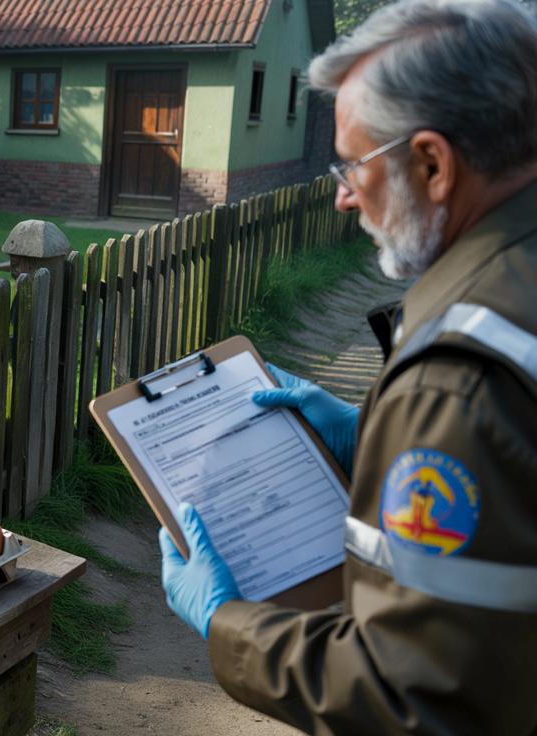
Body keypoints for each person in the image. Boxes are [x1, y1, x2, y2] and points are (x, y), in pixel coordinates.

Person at [159, 0, 537, 732]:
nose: (339, 195)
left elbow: (414, 695)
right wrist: (374, 438)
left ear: (432, 163)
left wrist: (229, 622)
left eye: (354, 165)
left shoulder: (455, 378)